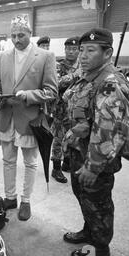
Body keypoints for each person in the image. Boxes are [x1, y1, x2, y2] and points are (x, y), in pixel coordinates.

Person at [62, 28, 129, 256]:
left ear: (107, 53)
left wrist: (93, 167)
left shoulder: (109, 83)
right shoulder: (89, 76)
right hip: (81, 152)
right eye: (81, 50)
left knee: (98, 204)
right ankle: (89, 231)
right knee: (85, 199)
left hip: (95, 160)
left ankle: (98, 248)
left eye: (90, 50)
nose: (82, 55)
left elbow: (109, 130)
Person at [0, 15, 57, 221]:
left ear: (30, 34)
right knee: (8, 160)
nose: (16, 39)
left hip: (29, 118)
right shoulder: (3, 56)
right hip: (6, 115)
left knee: (30, 162)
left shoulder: (45, 57)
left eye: (20, 35)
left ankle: (26, 200)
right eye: (12, 35)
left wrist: (29, 95)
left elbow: (51, 91)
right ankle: (10, 197)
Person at [50, 36, 81, 183]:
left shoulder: (83, 65)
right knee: (58, 138)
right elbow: (56, 83)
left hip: (78, 110)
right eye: (68, 49)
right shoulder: (58, 66)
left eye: (74, 49)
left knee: (74, 136)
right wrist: (75, 75)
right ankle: (56, 168)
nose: (70, 52)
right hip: (61, 109)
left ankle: (67, 163)